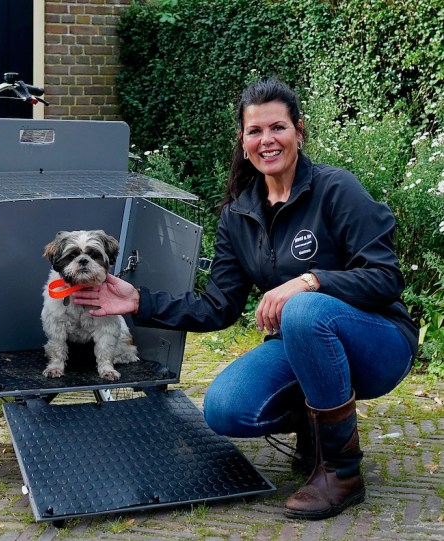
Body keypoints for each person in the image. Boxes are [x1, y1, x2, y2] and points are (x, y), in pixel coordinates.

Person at [72, 76, 417, 520]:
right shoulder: (238, 215)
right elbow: (218, 307)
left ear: (299, 131)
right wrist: (139, 301)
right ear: (243, 140)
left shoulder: (336, 189)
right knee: (226, 410)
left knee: (303, 309)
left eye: (278, 127)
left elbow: (386, 278)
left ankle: (342, 472)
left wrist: (310, 280)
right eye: (255, 131)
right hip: (303, 342)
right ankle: (315, 426)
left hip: (380, 341)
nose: (267, 139)